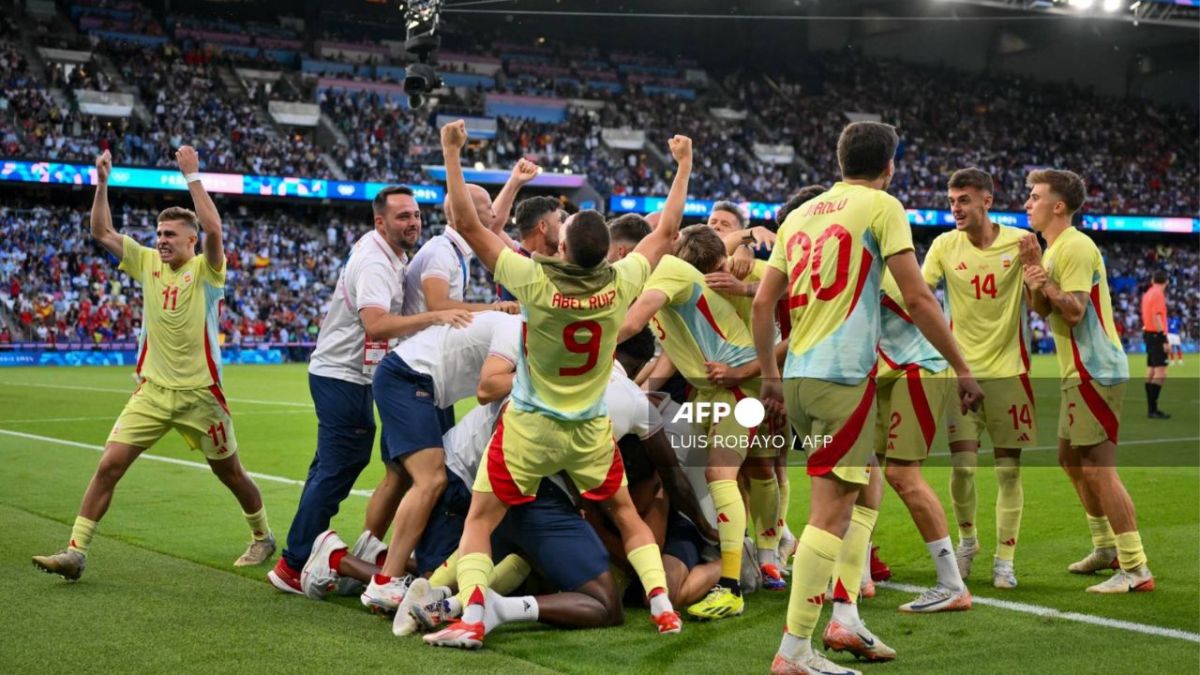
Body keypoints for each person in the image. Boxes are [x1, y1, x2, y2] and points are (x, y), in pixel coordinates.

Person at [423, 120, 692, 649]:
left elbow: (467, 224)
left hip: (529, 426)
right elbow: (667, 230)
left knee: (479, 521)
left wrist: (451, 153)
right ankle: (661, 604)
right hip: (589, 428)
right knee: (625, 514)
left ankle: (475, 615)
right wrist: (683, 165)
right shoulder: (622, 282)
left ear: (563, 247)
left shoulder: (533, 279)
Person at [751, 122, 983, 675]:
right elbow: (919, 297)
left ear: (839, 159)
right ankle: (795, 652)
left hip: (802, 379)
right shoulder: (882, 205)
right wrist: (962, 367)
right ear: (890, 166)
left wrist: (768, 377)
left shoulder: (803, 215)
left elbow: (763, 305)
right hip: (843, 378)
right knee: (830, 514)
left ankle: (847, 617)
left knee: (863, 488)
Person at [33, 148, 276, 581]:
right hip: (152, 391)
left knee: (230, 473)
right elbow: (101, 229)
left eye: (170, 235)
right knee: (109, 465)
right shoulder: (146, 261)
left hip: (202, 395)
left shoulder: (207, 270)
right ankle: (76, 551)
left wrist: (193, 175)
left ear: (190, 241)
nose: (161, 240)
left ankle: (262, 536)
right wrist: (102, 181)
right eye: (159, 233)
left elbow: (216, 228)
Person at [268, 185, 471, 595]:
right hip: (343, 374)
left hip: (354, 374)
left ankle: (307, 552)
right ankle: (295, 562)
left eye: (415, 215)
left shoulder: (389, 254)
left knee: (334, 464)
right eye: (402, 217)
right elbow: (376, 324)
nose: (413, 222)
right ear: (380, 222)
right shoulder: (376, 262)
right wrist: (437, 315)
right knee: (340, 464)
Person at [618, 224, 784, 619]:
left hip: (741, 383)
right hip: (709, 388)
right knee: (716, 471)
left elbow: (631, 323)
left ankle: (734, 583)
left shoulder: (670, 271)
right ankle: (743, 552)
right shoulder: (672, 276)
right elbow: (673, 350)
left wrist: (586, 344)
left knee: (721, 473)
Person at [1019, 169, 1153, 594]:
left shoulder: (1075, 246)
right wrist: (1031, 271)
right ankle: (1105, 548)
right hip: (1077, 372)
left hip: (1096, 370)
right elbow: (1043, 309)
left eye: (1035, 197)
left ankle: (1135, 567)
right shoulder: (1055, 248)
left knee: (1097, 468)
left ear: (1058, 206)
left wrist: (1041, 273)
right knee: (1070, 460)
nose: (1027, 203)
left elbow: (1073, 309)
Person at [922, 168, 1036, 589]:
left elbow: (1039, 302)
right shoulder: (943, 245)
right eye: (952, 200)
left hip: (1010, 375)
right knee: (964, 467)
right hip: (959, 376)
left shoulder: (1019, 242)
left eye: (964, 199)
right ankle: (967, 542)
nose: (956, 207)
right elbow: (916, 292)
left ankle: (1005, 559)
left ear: (987, 201)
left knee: (1008, 472)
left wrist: (1036, 265)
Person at [875, 272, 972, 613]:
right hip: (880, 374)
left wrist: (963, 369)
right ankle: (855, 570)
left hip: (916, 367)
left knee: (902, 475)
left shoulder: (879, 268)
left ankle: (951, 584)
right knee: (858, 471)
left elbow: (922, 302)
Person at [495, 194, 563, 301]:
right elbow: (492, 228)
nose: (563, 228)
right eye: (559, 221)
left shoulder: (520, 258)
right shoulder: (518, 266)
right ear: (543, 227)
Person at [1140, 270, 1171, 418]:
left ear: (1152, 280)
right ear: (1166, 282)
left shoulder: (1147, 294)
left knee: (1151, 370)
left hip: (1148, 334)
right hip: (1156, 335)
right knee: (1161, 372)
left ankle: (1151, 409)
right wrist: (1164, 338)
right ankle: (1153, 409)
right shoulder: (1158, 294)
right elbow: (1157, 316)